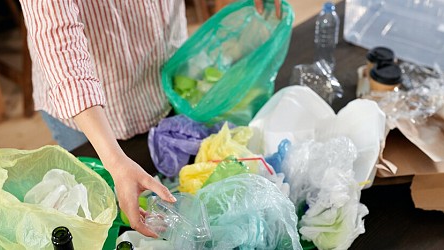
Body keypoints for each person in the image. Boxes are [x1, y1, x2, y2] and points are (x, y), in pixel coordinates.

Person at [19, 0, 281, 237]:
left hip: (165, 72)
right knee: (102, 203)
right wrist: (115, 161)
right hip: (93, 114)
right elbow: (60, 46)